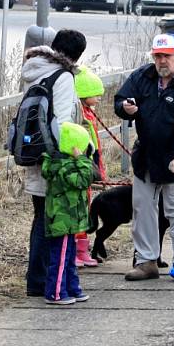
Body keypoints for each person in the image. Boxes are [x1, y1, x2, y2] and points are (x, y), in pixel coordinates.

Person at [114, 33, 174, 282]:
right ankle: (146, 261)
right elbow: (120, 100)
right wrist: (125, 108)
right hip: (146, 155)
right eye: (157, 56)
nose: (161, 61)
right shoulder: (142, 76)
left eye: (166, 56)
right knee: (142, 209)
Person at [20, 29, 87, 297]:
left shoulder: (36, 69)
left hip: (33, 151)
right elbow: (61, 122)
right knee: (54, 222)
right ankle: (45, 282)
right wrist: (71, 156)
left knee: (40, 219)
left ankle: (37, 280)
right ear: (77, 55)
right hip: (54, 160)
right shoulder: (63, 77)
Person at [41, 122, 95, 305]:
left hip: (69, 221)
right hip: (63, 220)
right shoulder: (66, 167)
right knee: (61, 257)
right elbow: (84, 180)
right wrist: (83, 160)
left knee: (69, 256)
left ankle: (72, 287)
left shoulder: (63, 164)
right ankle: (55, 293)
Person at [73, 67, 106, 267]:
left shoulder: (89, 115)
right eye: (96, 95)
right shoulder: (82, 117)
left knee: (85, 208)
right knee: (79, 210)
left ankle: (83, 250)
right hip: (82, 165)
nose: (99, 98)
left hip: (89, 164)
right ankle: (77, 250)